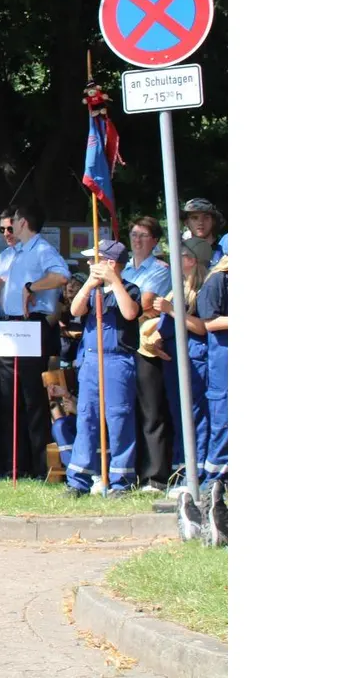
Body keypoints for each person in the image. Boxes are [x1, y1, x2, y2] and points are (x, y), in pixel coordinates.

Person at [0, 204, 70, 479]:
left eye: (14, 224)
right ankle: (13, 464)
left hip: (30, 325)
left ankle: (38, 466)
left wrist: (31, 287)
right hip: (9, 326)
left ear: (23, 223)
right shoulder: (14, 254)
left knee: (31, 398)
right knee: (7, 398)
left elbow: (61, 275)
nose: (9, 230)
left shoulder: (41, 249)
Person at [65, 240, 142, 496]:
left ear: (110, 263)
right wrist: (89, 284)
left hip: (117, 361)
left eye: (93, 260)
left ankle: (121, 479)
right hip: (90, 361)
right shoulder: (93, 291)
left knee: (119, 418)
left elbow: (130, 313)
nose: (88, 264)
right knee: (86, 417)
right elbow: (76, 309)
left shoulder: (129, 288)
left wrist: (114, 281)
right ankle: (78, 480)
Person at [149, 237, 211, 494]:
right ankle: (180, 470)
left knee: (195, 417)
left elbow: (203, 326)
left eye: (181, 255)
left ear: (192, 260)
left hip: (193, 359)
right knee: (178, 416)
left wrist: (172, 310)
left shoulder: (204, 288)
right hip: (173, 359)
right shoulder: (178, 286)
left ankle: (196, 474)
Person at [121, 216, 175, 492]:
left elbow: (142, 303)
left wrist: (117, 295)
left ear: (155, 240)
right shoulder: (124, 267)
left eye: (143, 235)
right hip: (123, 343)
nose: (137, 239)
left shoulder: (160, 269)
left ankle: (155, 475)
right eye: (134, 234)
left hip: (146, 345)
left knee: (151, 410)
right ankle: (130, 470)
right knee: (126, 408)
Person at [194, 246, 228, 545]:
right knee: (222, 432)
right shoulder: (219, 281)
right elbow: (209, 322)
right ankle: (211, 499)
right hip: (224, 368)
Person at [181, 198, 225, 266]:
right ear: (186, 222)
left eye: (206, 217)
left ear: (213, 221)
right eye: (195, 218)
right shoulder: (180, 255)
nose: (200, 222)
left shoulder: (224, 253)